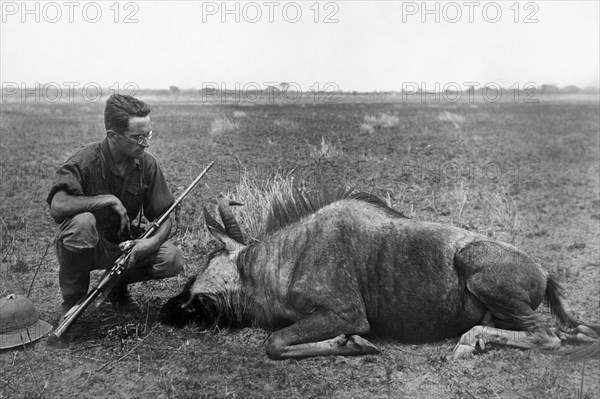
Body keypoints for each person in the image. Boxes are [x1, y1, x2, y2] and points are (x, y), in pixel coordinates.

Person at [47, 94, 184, 316]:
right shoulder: (83, 161)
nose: (146, 143)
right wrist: (108, 199)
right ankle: (73, 300)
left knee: (172, 259)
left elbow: (165, 217)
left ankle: (116, 288)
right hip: (87, 246)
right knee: (82, 223)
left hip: (124, 245)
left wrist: (148, 244)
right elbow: (58, 206)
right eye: (138, 137)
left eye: (147, 134)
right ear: (112, 135)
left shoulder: (147, 164)